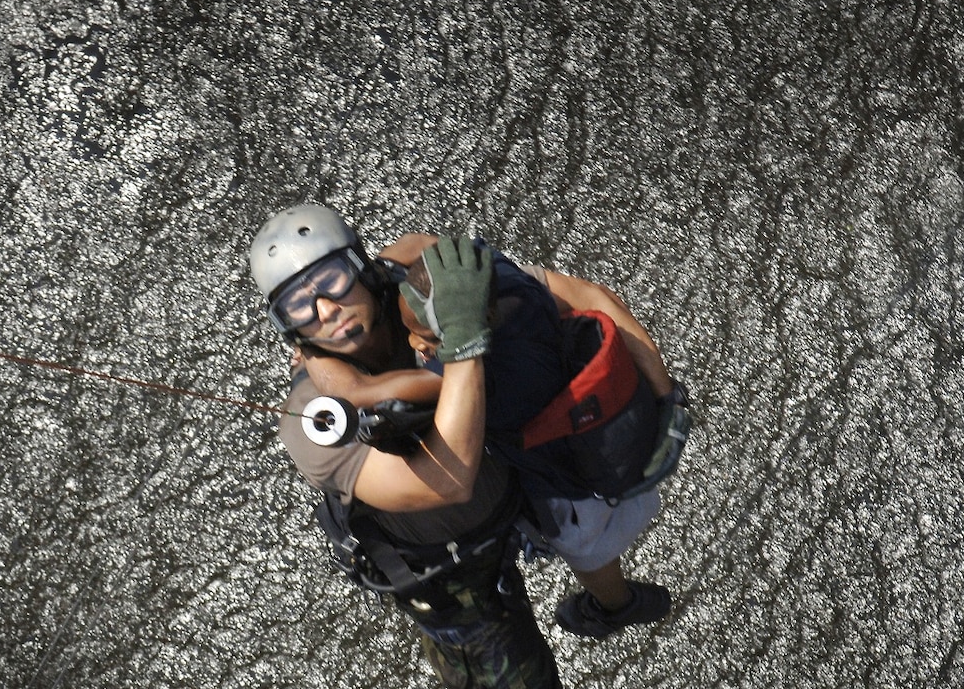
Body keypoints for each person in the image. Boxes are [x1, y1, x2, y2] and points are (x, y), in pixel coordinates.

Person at [249, 203, 617, 689]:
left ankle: (610, 601)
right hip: (450, 578)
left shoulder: (420, 283)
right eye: (300, 303)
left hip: (514, 487)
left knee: (600, 507)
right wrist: (465, 347)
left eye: (331, 282)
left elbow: (555, 292)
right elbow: (442, 483)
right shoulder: (313, 422)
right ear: (287, 327)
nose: (326, 309)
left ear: (361, 269)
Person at [293, 234, 690, 638]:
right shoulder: (518, 292)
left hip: (572, 484)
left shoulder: (484, 372)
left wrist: (308, 346)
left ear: (465, 337)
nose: (415, 344)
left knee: (588, 550)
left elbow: (361, 393)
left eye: (426, 340)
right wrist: (668, 397)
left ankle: (616, 605)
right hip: (615, 426)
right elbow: (595, 294)